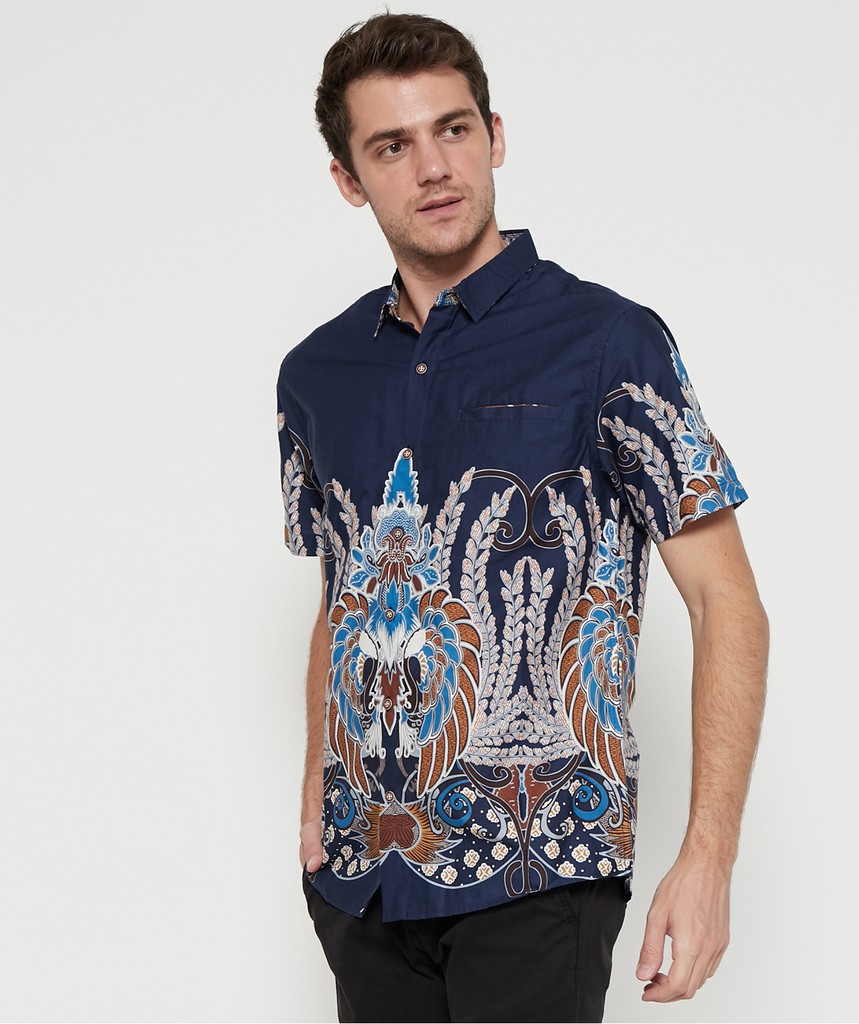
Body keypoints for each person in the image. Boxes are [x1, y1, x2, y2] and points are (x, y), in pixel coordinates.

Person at [277, 13, 768, 1023]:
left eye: (453, 129)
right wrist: (316, 789)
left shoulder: (608, 341)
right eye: (391, 146)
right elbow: (343, 594)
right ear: (347, 178)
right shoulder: (316, 374)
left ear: (495, 136)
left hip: (540, 866)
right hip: (363, 881)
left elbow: (727, 603)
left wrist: (709, 856)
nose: (433, 167)